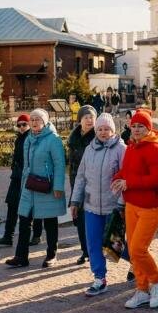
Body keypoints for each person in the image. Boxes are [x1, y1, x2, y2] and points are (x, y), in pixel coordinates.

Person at [111, 109, 158, 309]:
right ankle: (142, 289)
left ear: (148, 128)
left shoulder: (157, 150)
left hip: (151, 207)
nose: (136, 129)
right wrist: (118, 178)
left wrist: (129, 183)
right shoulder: (131, 147)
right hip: (132, 205)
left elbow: (157, 180)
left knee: (138, 249)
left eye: (140, 126)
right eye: (133, 126)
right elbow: (126, 172)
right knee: (134, 252)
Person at [70, 113, 127, 296]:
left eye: (107, 129)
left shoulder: (121, 149)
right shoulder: (89, 149)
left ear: (113, 130)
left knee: (114, 245)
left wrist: (121, 203)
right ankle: (99, 278)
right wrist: (75, 200)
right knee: (93, 243)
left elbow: (126, 178)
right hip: (91, 205)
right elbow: (80, 177)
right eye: (100, 129)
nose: (103, 132)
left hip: (113, 206)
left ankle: (139, 262)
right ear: (96, 131)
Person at [6, 108, 66, 268]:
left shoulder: (53, 140)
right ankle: (21, 256)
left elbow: (60, 164)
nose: (33, 122)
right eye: (32, 119)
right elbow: (26, 164)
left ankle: (51, 255)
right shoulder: (28, 139)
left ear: (45, 122)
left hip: (47, 185)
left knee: (50, 220)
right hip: (29, 185)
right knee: (24, 219)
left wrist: (59, 186)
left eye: (37, 119)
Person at [0, 114, 43, 246]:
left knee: (33, 207)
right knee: (12, 205)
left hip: (29, 177)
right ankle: (8, 236)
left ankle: (36, 235)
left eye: (24, 124)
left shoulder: (32, 138)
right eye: (19, 125)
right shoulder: (20, 139)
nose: (21, 127)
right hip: (17, 177)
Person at [67, 105, 97, 265]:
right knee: (79, 218)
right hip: (76, 183)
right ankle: (85, 250)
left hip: (92, 183)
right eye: (86, 117)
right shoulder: (74, 138)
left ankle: (93, 250)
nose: (90, 120)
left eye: (92, 117)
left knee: (91, 218)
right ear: (80, 120)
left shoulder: (98, 137)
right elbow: (71, 164)